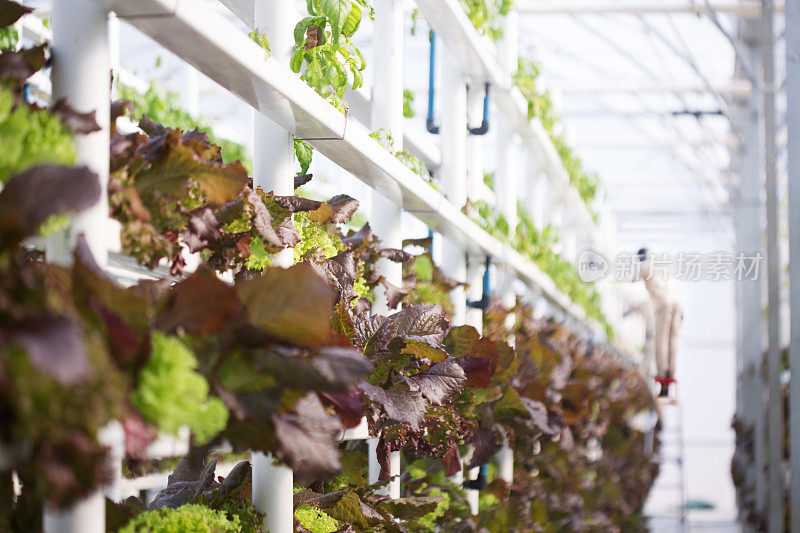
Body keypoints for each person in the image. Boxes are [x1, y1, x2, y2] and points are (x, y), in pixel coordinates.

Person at [635, 247, 682, 397]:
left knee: (661, 340)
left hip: (663, 305)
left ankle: (663, 375)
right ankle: (671, 371)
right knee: (673, 340)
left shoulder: (645, 265)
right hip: (677, 304)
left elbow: (632, 277)